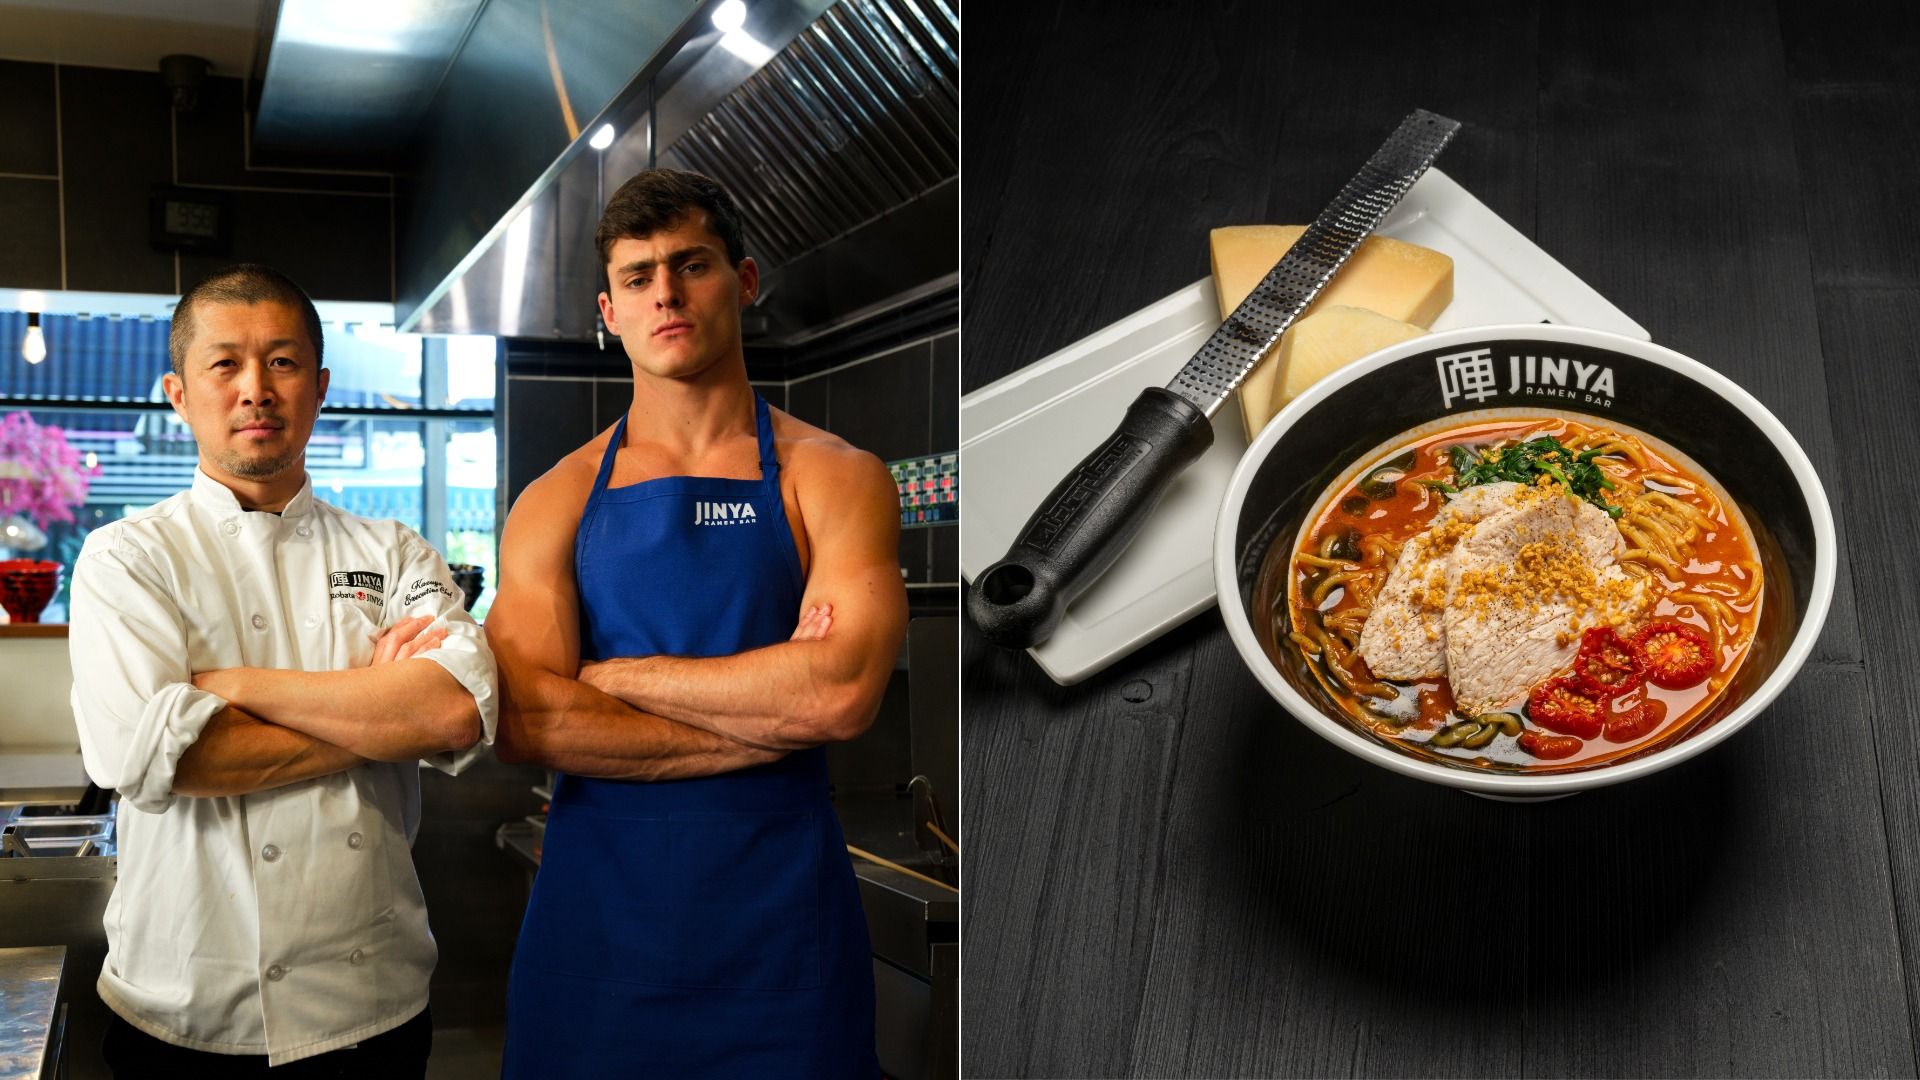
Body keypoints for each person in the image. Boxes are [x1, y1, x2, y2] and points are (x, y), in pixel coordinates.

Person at [488, 168, 908, 1077]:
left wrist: (613, 679)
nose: (666, 294)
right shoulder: (554, 499)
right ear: (609, 309)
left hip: (781, 934)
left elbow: (835, 694)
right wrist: (767, 710)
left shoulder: (834, 476)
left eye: (692, 265)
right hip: (597, 929)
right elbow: (524, 718)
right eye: (638, 278)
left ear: (745, 281)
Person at [67, 264, 498, 1076]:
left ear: (321, 385)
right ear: (178, 392)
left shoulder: (393, 549)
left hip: (370, 1003)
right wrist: (379, 718)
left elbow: (450, 714)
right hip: (184, 1004)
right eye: (224, 364)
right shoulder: (127, 558)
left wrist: (233, 687)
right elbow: (165, 758)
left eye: (283, 362)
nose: (255, 389)